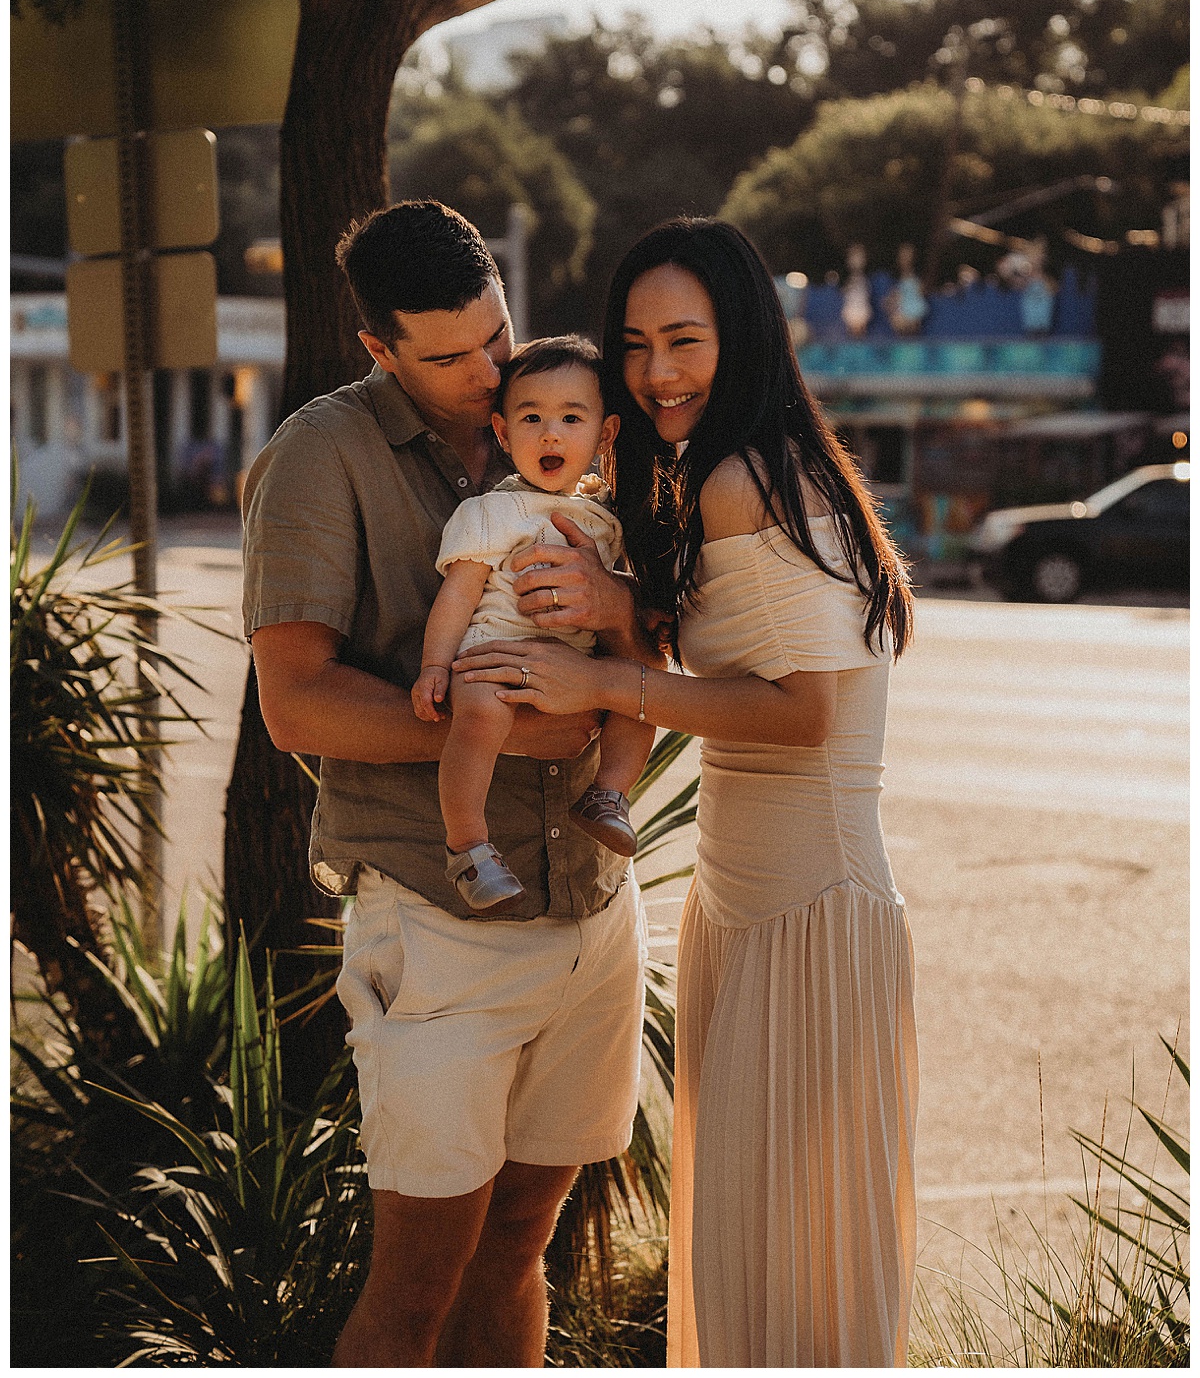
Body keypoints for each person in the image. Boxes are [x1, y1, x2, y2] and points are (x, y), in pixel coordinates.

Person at [454, 217, 919, 1368]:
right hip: (749, 903)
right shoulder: (728, 467)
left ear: (742, 334)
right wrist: (621, 607)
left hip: (808, 907)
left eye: (685, 340)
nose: (658, 371)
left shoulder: (748, 474)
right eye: (636, 344)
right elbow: (734, 652)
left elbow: (804, 711)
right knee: (760, 1265)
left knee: (795, 1282)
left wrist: (601, 674)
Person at [240, 200, 657, 1367]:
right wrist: (504, 733)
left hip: (589, 905)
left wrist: (619, 621)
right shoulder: (319, 458)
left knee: (519, 1247)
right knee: (418, 1279)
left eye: (495, 332)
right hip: (441, 921)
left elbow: (662, 607)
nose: (489, 370)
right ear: (379, 349)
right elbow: (297, 703)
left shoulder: (555, 409)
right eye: (449, 354)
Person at [413, 335, 655, 909]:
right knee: (475, 717)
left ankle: (608, 793)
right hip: (494, 655)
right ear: (502, 432)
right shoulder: (492, 512)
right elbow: (457, 595)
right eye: (532, 418)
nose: (551, 433)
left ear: (606, 434)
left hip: (574, 668)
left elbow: (620, 605)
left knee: (643, 691)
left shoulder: (604, 523)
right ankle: (469, 846)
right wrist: (434, 667)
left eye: (572, 417)